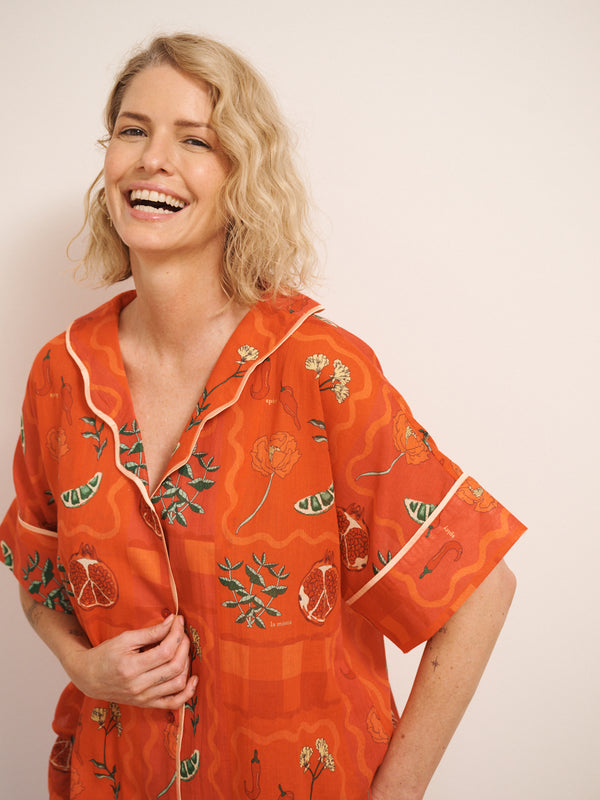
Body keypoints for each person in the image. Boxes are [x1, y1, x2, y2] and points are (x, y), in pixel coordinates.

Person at [0, 33, 525, 800]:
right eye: (133, 130)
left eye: (196, 140)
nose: (153, 159)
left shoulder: (319, 370)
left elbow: (481, 591)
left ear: (241, 175)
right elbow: (37, 565)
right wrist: (83, 664)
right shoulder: (61, 373)